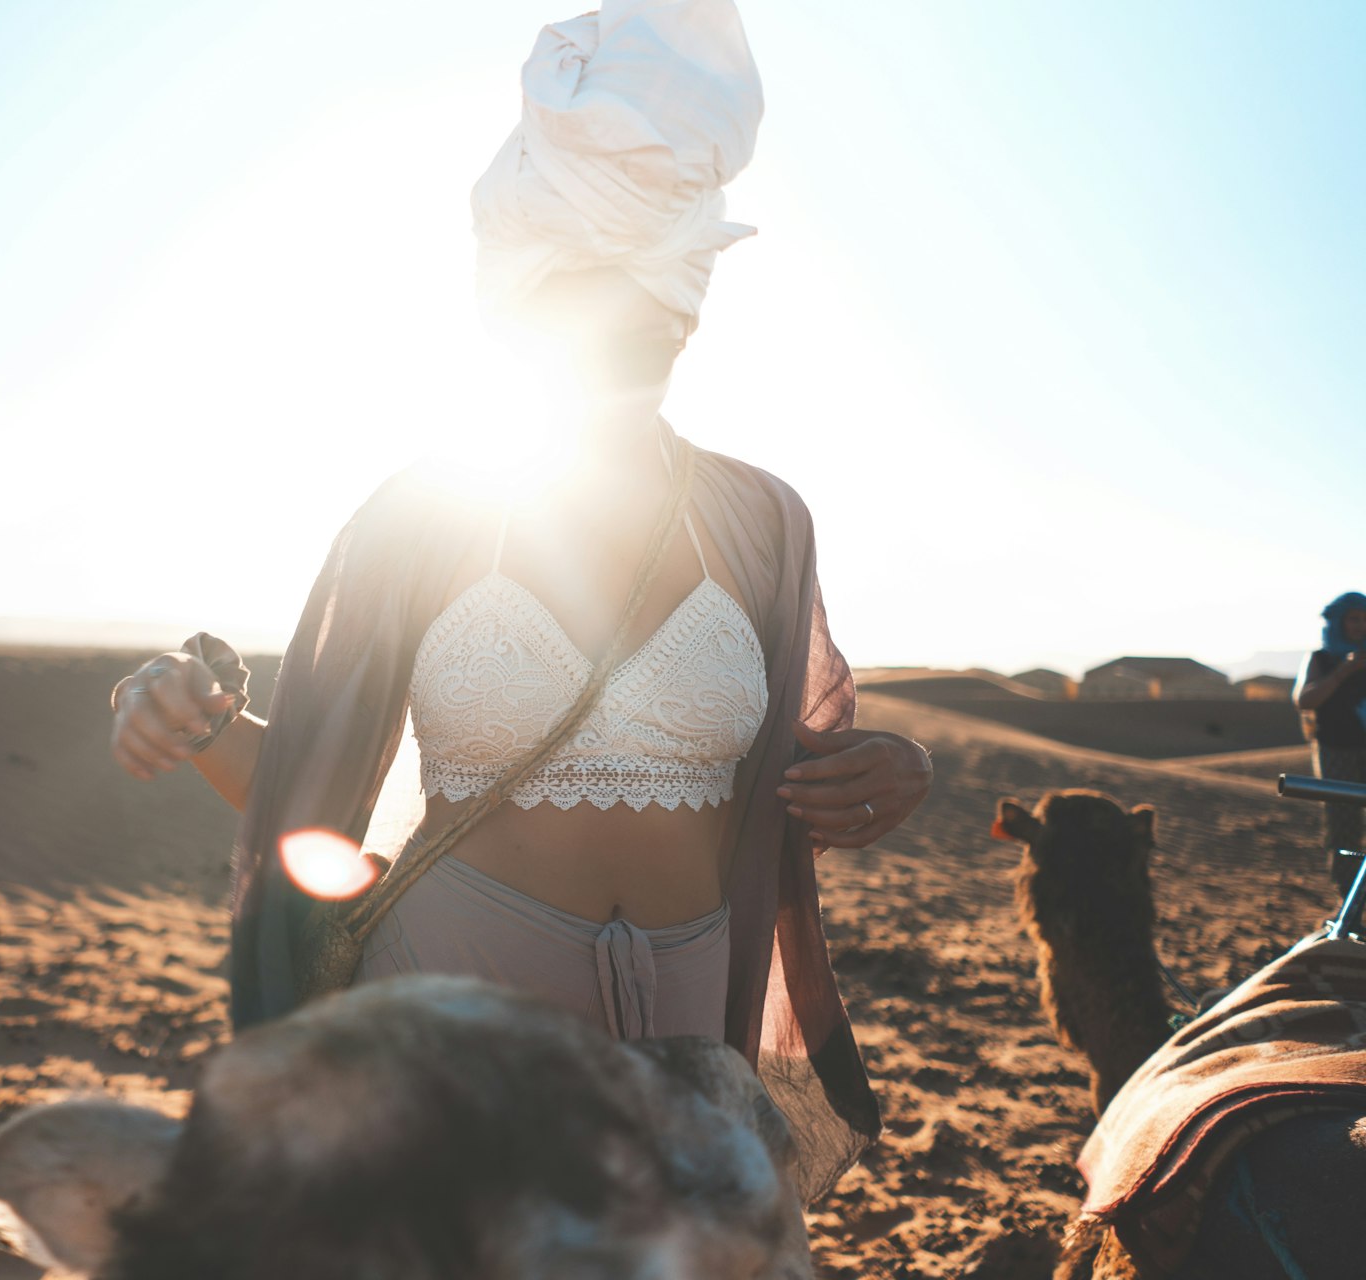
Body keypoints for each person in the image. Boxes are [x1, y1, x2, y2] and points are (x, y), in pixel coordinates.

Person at [107, 0, 933, 1199]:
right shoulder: (429, 509)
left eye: (651, 283)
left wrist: (896, 771)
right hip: (452, 997)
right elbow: (321, 793)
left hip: (699, 1022)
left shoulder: (763, 520)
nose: (628, 317)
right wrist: (183, 718)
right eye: (590, 281)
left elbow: (798, 778)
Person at [1295, 591, 1366, 889]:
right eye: (1354, 619)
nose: (1360, 626)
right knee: (1343, 826)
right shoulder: (1321, 659)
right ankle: (1347, 899)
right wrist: (1343, 672)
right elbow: (1305, 700)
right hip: (1337, 752)